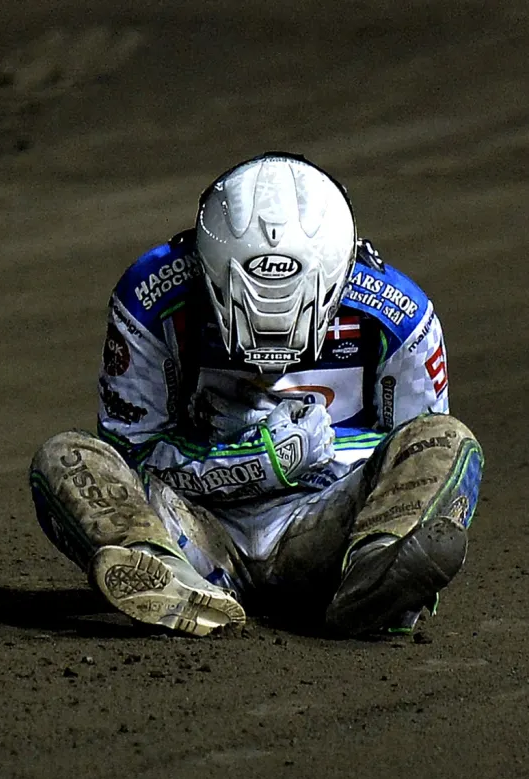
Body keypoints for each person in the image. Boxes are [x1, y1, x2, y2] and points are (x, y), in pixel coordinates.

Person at [29, 152, 482, 637]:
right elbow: (128, 455)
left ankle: (374, 570)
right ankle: (161, 569)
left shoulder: (398, 313)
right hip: (196, 528)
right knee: (67, 458)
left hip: (328, 526)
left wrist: (315, 457)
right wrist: (259, 461)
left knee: (445, 441)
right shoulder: (150, 296)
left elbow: (408, 455)